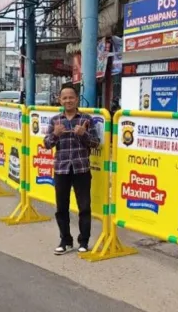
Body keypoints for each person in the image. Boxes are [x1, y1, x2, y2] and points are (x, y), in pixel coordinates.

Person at [43, 85, 100, 255]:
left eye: (71, 97)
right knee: (61, 208)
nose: (68, 100)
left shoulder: (86, 119)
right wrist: (55, 134)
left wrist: (84, 134)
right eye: (65, 98)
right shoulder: (55, 121)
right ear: (60, 100)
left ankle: (84, 242)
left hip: (81, 169)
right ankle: (65, 241)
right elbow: (47, 144)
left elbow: (96, 143)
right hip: (61, 169)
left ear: (77, 99)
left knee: (84, 207)